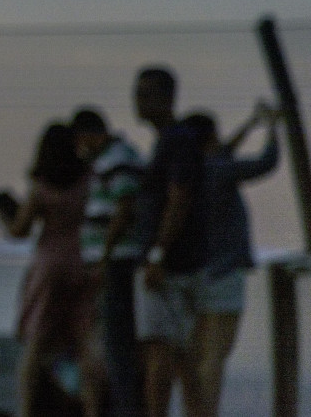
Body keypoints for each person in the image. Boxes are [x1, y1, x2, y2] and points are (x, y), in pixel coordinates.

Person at [183, 105, 280, 417]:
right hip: (223, 273)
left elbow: (224, 151)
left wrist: (250, 124)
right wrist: (272, 128)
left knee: (197, 353)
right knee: (215, 355)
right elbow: (267, 162)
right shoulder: (220, 170)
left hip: (193, 273)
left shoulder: (188, 172)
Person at [0, 122, 92, 417]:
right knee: (84, 342)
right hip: (82, 261)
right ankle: (91, 407)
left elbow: (20, 230)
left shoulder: (41, 187)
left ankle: (26, 410)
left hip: (48, 264)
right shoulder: (87, 180)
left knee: (35, 345)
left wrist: (3, 214)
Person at [129, 65, 205, 417]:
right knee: (179, 354)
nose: (137, 101)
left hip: (168, 266)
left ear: (167, 98)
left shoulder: (176, 141)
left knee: (161, 351)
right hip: (172, 263)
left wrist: (158, 254)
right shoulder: (172, 141)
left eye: (145, 94)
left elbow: (179, 197)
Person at [70, 108, 142, 417]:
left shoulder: (116, 160)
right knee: (115, 342)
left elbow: (123, 210)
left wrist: (103, 257)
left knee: (118, 344)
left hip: (117, 263)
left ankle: (126, 408)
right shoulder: (113, 160)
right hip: (116, 261)